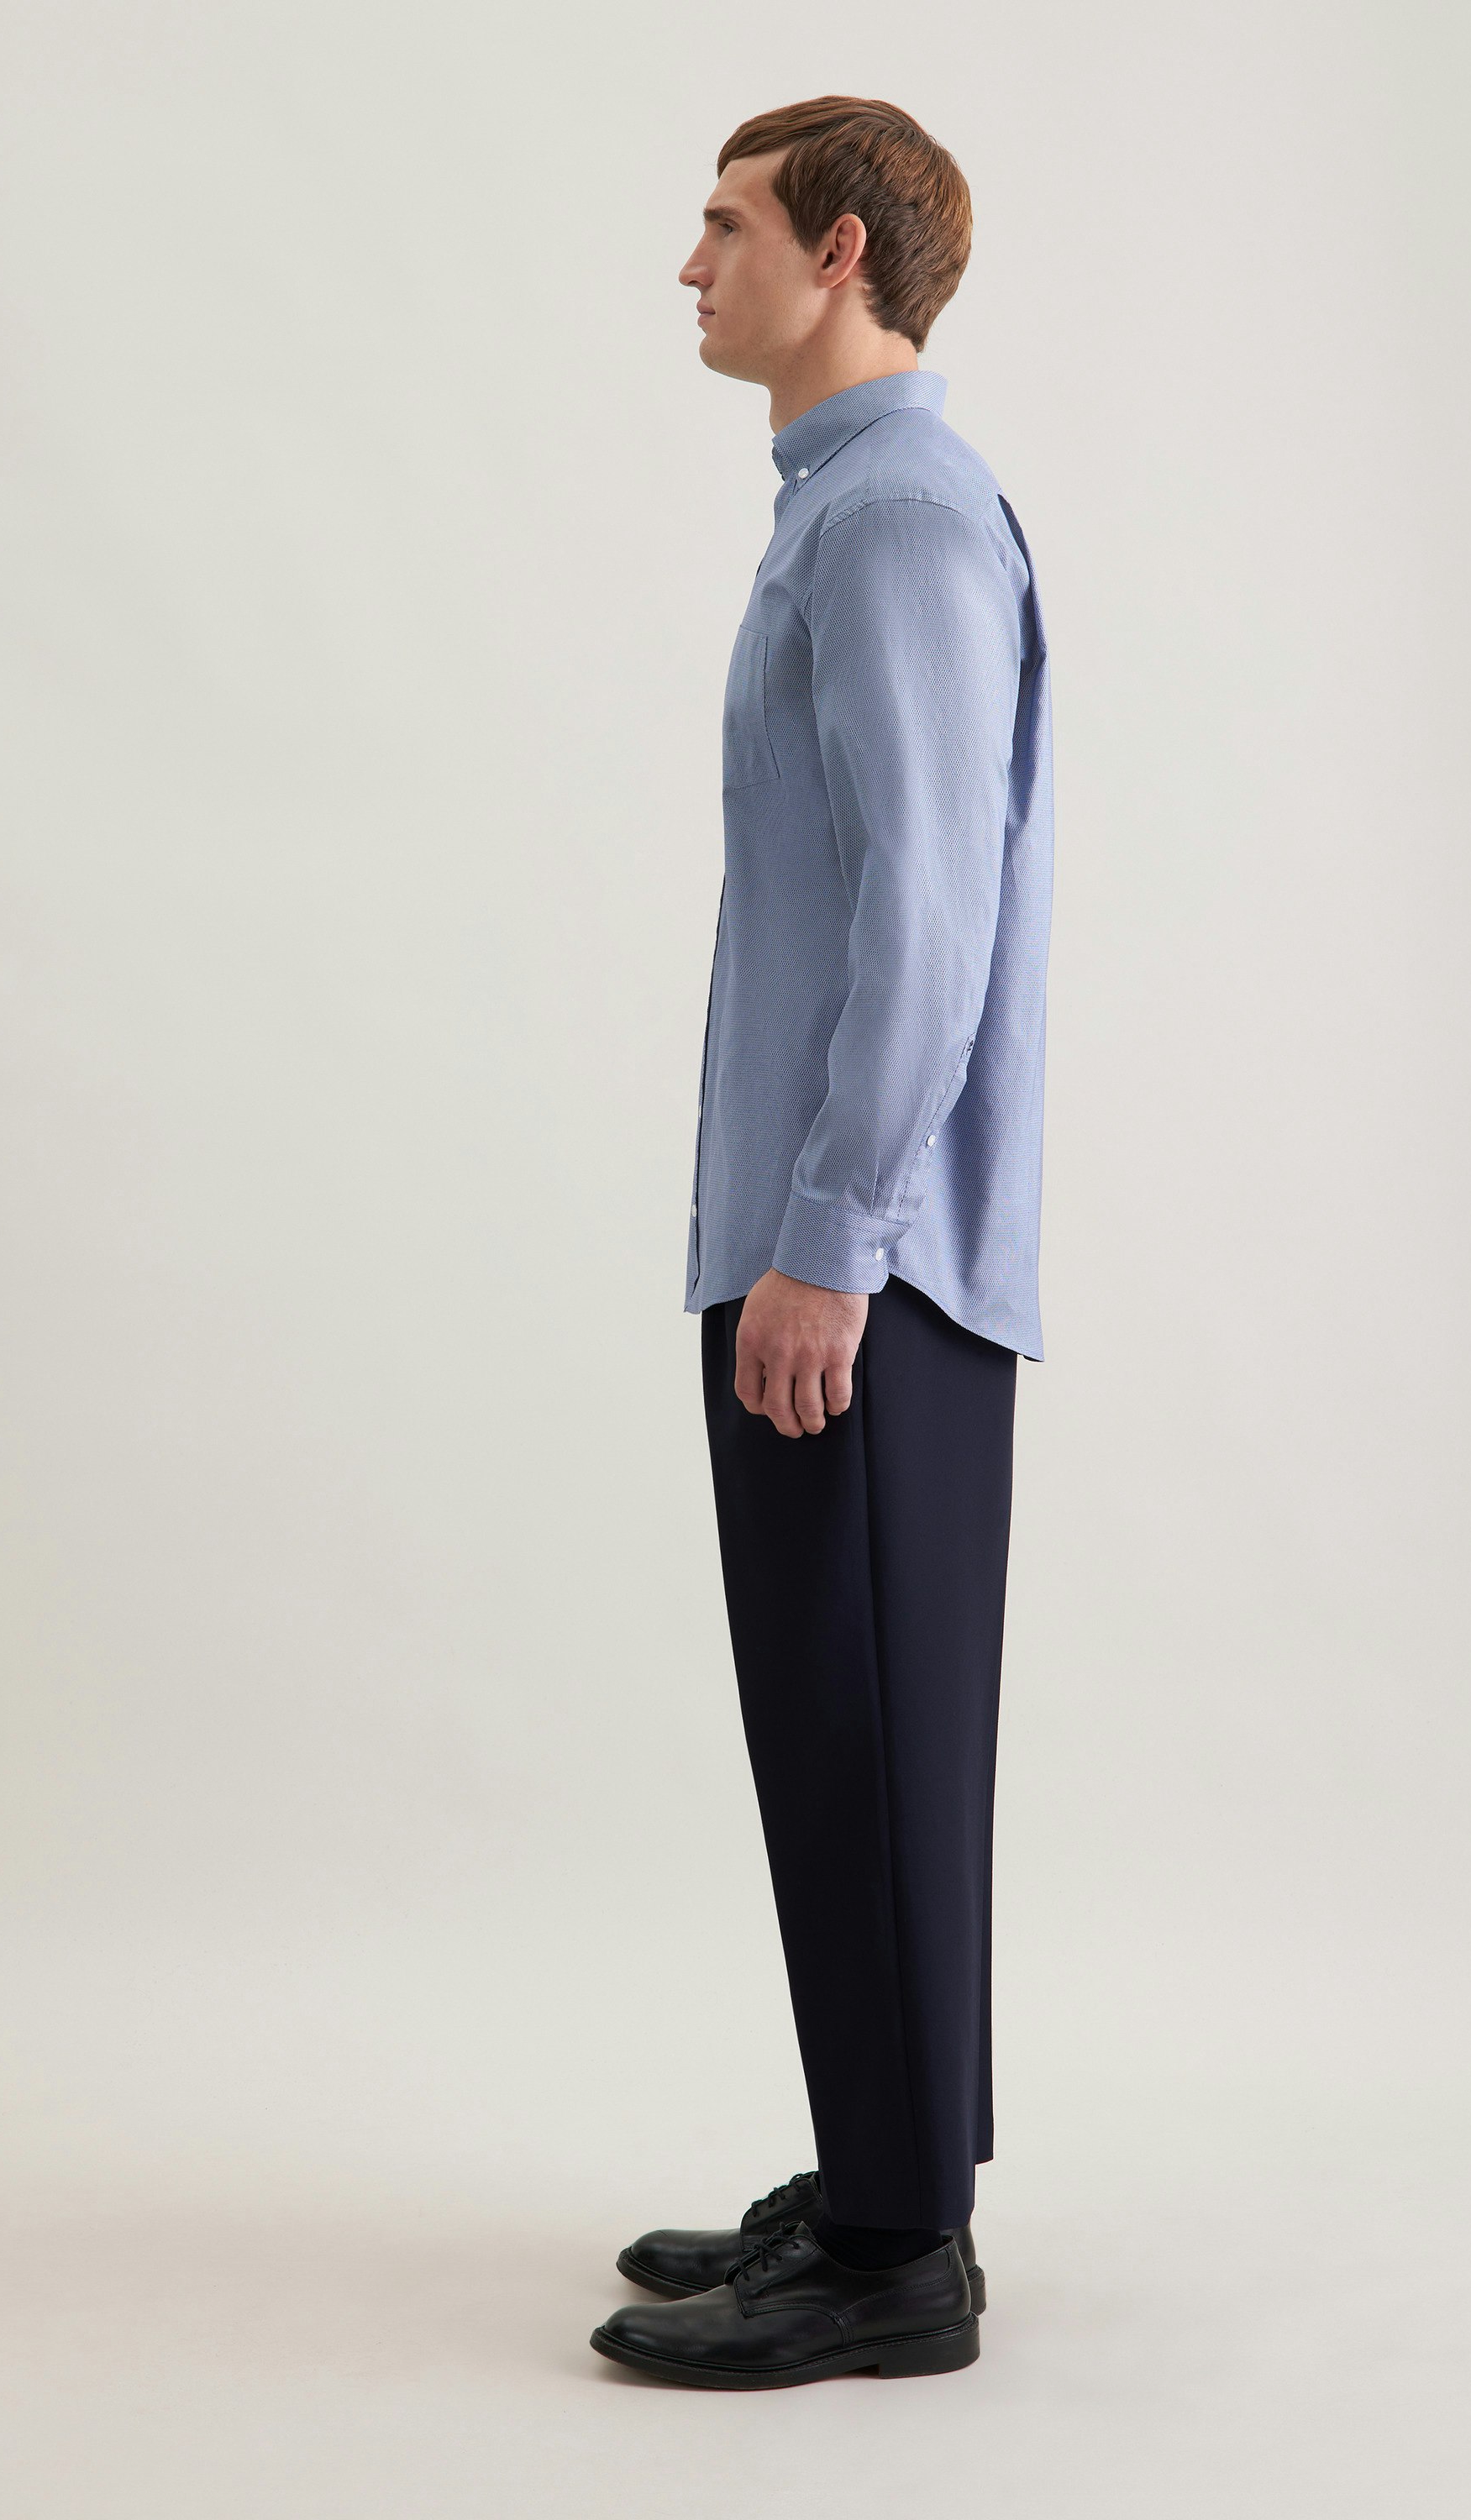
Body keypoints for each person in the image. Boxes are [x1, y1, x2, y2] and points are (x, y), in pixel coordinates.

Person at [590, 95, 1053, 2390]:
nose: (692, 266)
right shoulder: (847, 512)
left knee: (865, 1735)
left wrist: (830, 1239)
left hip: (860, 1272)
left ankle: (893, 2260)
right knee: (848, 1734)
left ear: (840, 250)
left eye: (726, 223)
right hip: (834, 1252)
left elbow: (930, 916)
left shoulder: (896, 523)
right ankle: (887, 2177)